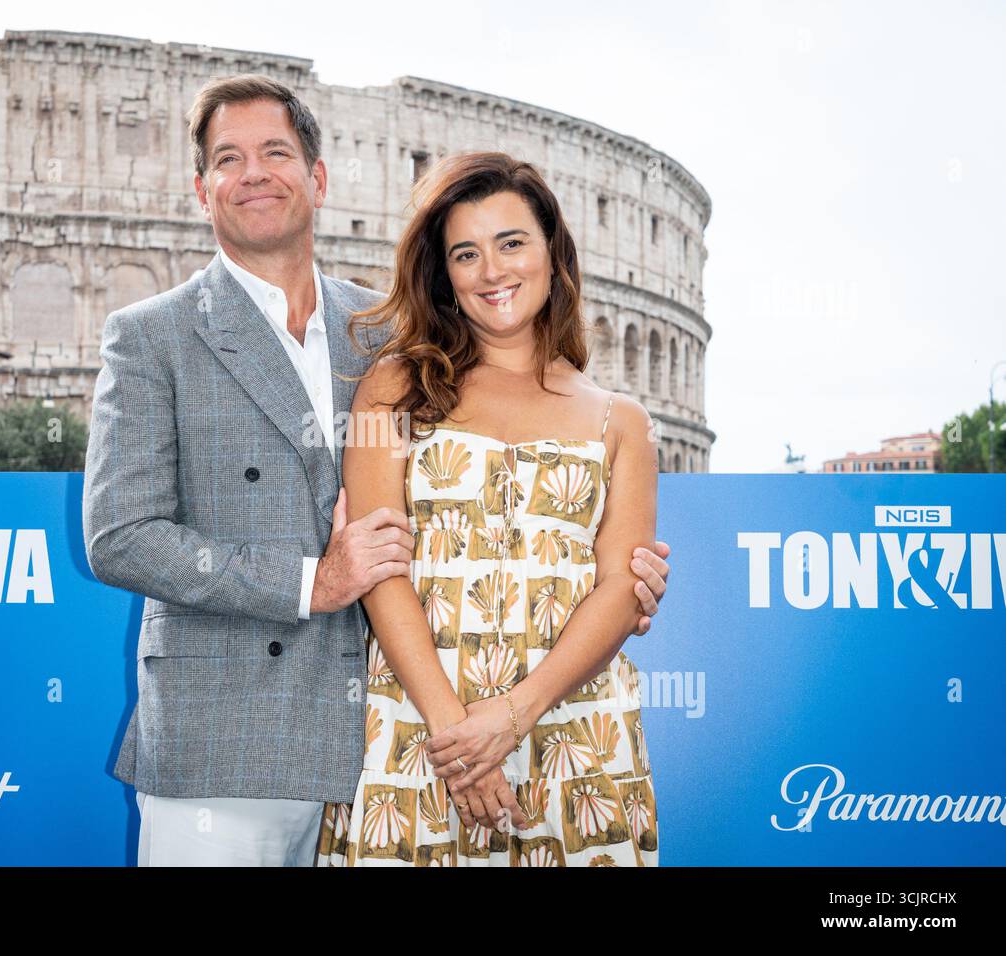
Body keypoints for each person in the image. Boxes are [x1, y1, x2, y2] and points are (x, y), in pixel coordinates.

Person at [82, 74, 672, 866]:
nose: (254, 173)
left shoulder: (389, 338)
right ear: (201, 188)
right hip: (233, 735)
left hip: (366, 733)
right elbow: (120, 538)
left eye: (276, 152)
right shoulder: (151, 335)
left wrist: (622, 585)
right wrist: (310, 583)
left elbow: (587, 558)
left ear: (319, 177)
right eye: (229, 158)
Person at [317, 152, 662, 866]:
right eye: (466, 254)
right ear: (444, 275)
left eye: (511, 243)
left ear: (551, 252)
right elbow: (381, 571)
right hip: (418, 731)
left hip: (575, 734)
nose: (492, 271)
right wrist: (459, 740)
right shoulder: (389, 392)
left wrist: (512, 717)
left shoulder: (620, 419)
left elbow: (623, 587)